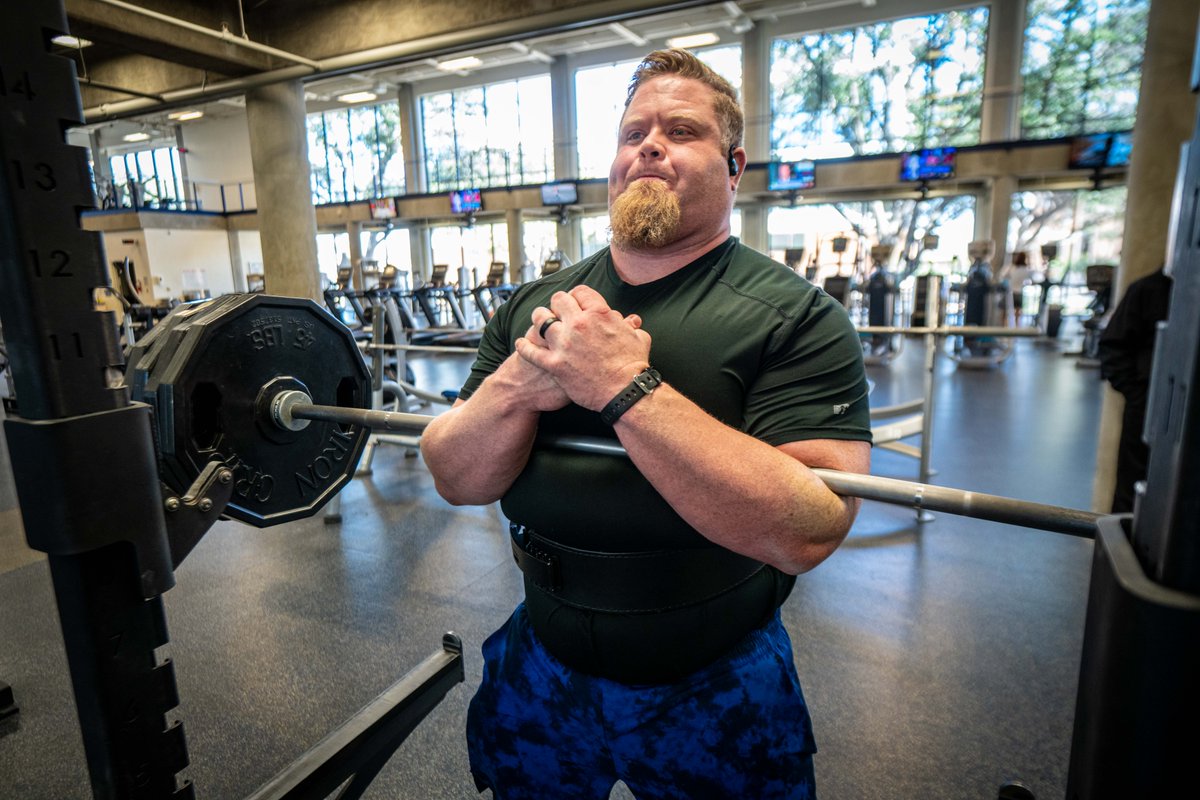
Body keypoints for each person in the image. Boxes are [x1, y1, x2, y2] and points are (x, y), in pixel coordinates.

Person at [421, 49, 872, 799]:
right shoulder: (536, 306)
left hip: (716, 679)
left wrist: (625, 387)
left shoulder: (797, 318)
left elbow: (810, 528)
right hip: (542, 658)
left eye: (681, 130)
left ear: (734, 166)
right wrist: (512, 387)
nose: (648, 146)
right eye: (633, 134)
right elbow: (455, 476)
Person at [1097, 265, 1172, 513]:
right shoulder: (1149, 289)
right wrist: (1138, 394)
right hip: (1147, 409)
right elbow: (1112, 347)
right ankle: (1119, 549)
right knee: (1132, 488)